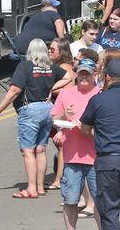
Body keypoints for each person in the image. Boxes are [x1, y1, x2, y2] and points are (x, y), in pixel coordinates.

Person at [0, 39, 71, 199]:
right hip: (47, 109)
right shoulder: (51, 67)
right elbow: (68, 77)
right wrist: (52, 87)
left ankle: (31, 188)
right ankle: (40, 187)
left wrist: (0, 109)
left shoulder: (25, 66)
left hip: (30, 110)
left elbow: (14, 90)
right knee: (41, 149)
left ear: (30, 51)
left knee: (28, 151)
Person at [80, 60, 120, 230]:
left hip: (107, 160)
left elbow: (85, 128)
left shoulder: (98, 100)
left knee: (109, 211)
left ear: (107, 77)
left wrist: (100, 134)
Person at [51, 58, 101, 229]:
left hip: (96, 158)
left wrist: (86, 127)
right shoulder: (66, 94)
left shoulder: (101, 94)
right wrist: (64, 115)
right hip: (72, 158)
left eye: (87, 73)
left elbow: (106, 126)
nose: (84, 77)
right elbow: (54, 119)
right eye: (81, 73)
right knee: (70, 200)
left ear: (95, 74)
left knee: (100, 201)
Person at [48, 37, 76, 190]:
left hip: (66, 110)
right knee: (60, 145)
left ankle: (59, 179)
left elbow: (69, 87)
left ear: (61, 51)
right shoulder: (59, 65)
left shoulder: (65, 67)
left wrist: (49, 88)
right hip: (61, 108)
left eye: (52, 49)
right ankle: (60, 176)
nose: (49, 51)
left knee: (62, 145)